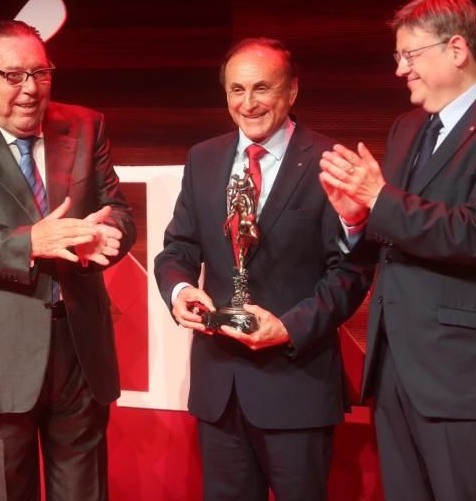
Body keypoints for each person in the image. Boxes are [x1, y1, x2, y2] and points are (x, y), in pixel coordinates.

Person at [319, 0, 476, 500]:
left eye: (410, 55)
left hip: (464, 374)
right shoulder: (407, 129)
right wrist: (357, 218)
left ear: (457, 50)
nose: (401, 69)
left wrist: (378, 198)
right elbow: (397, 227)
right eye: (398, 57)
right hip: (397, 363)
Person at [0, 20, 136, 500]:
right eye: (14, 76)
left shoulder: (84, 124)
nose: (30, 89)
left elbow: (119, 211)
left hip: (78, 347)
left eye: (41, 73)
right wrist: (30, 242)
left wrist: (104, 233)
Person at [154, 38, 372, 500]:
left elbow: (350, 272)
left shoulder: (329, 162)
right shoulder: (204, 158)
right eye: (236, 90)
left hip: (296, 387)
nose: (247, 104)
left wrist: (288, 328)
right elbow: (178, 248)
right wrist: (179, 292)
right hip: (219, 391)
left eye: (261, 89)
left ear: (291, 91)